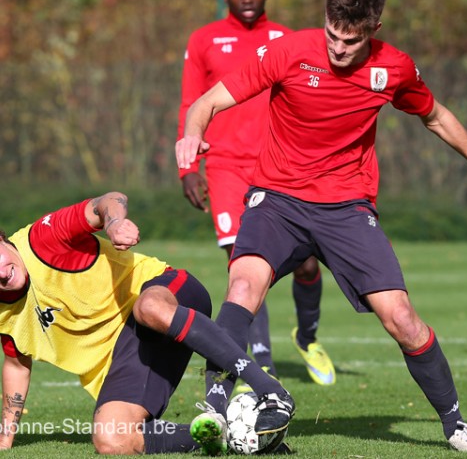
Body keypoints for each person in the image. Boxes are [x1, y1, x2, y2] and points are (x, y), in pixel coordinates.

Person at [176, 0, 467, 455]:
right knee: (242, 286)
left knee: (403, 319)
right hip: (278, 199)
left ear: (373, 29)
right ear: (324, 20)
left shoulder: (393, 68)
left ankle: (454, 425)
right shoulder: (289, 51)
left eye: (351, 40)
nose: (339, 48)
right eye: (332, 35)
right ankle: (216, 407)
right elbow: (209, 101)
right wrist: (190, 141)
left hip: (347, 208)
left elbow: (437, 117)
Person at [0, 191, 295, 456]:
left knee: (148, 307)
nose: (0, 272)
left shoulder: (42, 239)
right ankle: (233, 436)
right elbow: (16, 364)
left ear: (2, 239)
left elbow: (107, 200)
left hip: (166, 295)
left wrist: (113, 223)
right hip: (127, 350)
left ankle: (271, 391)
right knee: (111, 440)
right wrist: (5, 438)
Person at [177, 0, 335, 388]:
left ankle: (307, 337)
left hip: (281, 167)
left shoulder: (286, 39)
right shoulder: (205, 40)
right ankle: (259, 363)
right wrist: (188, 166)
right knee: (243, 264)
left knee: (305, 264)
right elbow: (192, 101)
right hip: (226, 165)